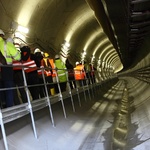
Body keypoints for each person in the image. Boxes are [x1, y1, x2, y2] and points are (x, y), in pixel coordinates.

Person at [0, 29, 21, 107]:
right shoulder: (6, 44)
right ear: (2, 35)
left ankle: (3, 107)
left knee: (1, 90)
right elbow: (18, 57)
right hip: (6, 68)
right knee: (9, 89)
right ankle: (9, 108)